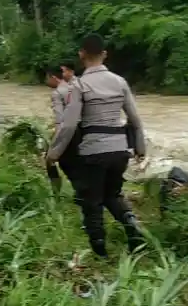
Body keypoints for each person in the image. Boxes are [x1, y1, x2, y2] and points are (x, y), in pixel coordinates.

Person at [46, 33, 146, 257]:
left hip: (93, 150)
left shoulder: (79, 86)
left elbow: (69, 125)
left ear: (81, 54)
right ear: (105, 54)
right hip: (120, 150)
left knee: (92, 200)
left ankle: (100, 251)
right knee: (113, 193)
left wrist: (54, 154)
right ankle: (131, 223)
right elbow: (135, 119)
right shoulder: (120, 82)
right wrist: (140, 148)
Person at [44, 65, 72, 194]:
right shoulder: (74, 88)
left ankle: (56, 192)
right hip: (83, 131)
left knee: (50, 160)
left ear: (53, 78)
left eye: (47, 78)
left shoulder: (58, 93)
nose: (46, 81)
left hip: (68, 132)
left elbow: (60, 121)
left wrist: (54, 145)